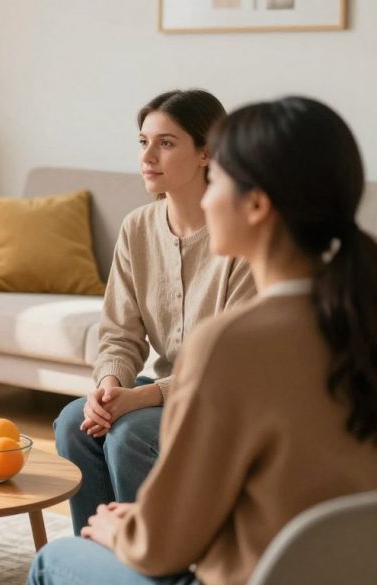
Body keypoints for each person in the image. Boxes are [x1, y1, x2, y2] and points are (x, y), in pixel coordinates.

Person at [31, 97, 377, 585]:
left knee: (55, 558)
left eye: (220, 181)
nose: (209, 198)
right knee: (78, 425)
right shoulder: (359, 313)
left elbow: (162, 547)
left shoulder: (232, 343)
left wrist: (119, 532)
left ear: (256, 204)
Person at [54, 89, 255, 533]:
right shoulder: (137, 227)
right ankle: (97, 555)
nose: (148, 156)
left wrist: (142, 397)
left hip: (221, 397)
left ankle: (148, 560)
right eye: (143, 142)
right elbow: (120, 335)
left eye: (166, 143)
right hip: (164, 386)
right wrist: (108, 389)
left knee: (132, 433)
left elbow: (232, 364)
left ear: (207, 152)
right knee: (75, 423)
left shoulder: (240, 233)